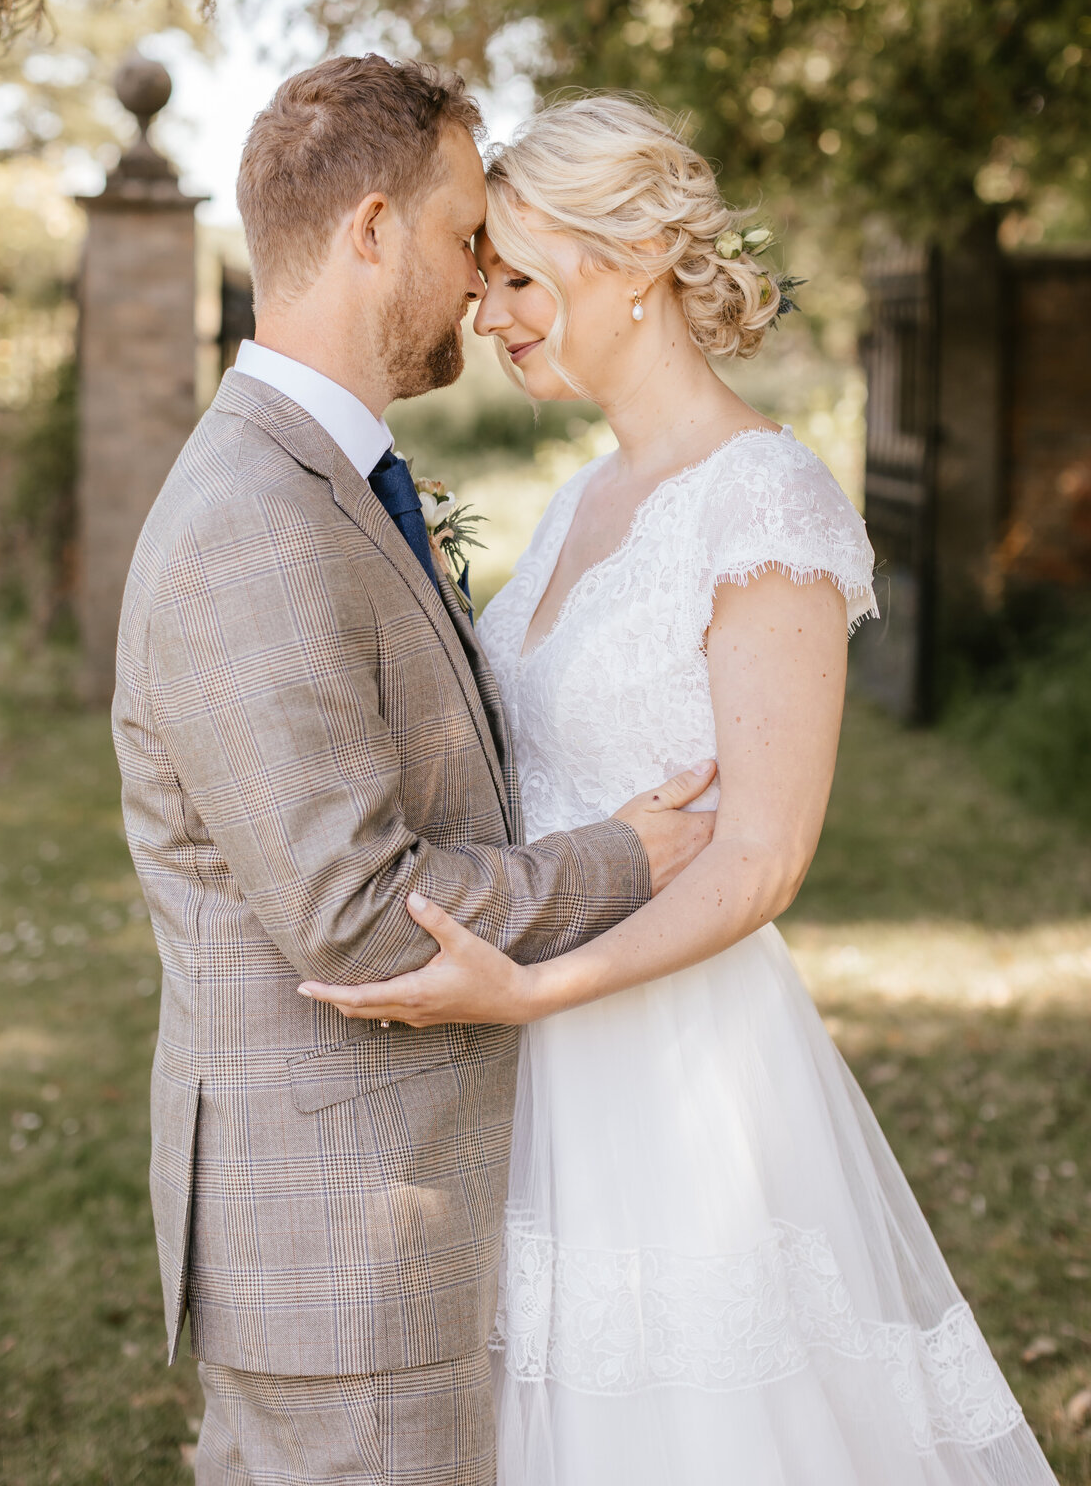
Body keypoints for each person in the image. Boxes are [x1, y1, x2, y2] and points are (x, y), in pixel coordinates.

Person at [305, 96, 1060, 1485]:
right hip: (528, 1062)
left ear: (636, 258)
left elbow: (764, 856)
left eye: (519, 277)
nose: (492, 315)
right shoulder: (595, 493)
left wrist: (535, 991)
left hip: (669, 1065)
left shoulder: (761, 503)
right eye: (488, 281)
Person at [112, 57, 717, 1486]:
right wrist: (625, 861)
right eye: (463, 242)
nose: (477, 287)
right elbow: (360, 914)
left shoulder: (320, 479)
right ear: (373, 230)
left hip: (381, 1223)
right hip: (344, 1243)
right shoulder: (254, 522)